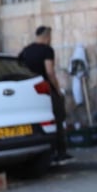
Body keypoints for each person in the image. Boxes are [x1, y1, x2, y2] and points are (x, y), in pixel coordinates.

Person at [18, 25, 72, 164]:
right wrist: (58, 90)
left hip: (29, 91)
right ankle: (60, 152)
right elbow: (50, 72)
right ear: (47, 36)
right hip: (45, 89)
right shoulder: (47, 50)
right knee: (57, 117)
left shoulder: (26, 51)